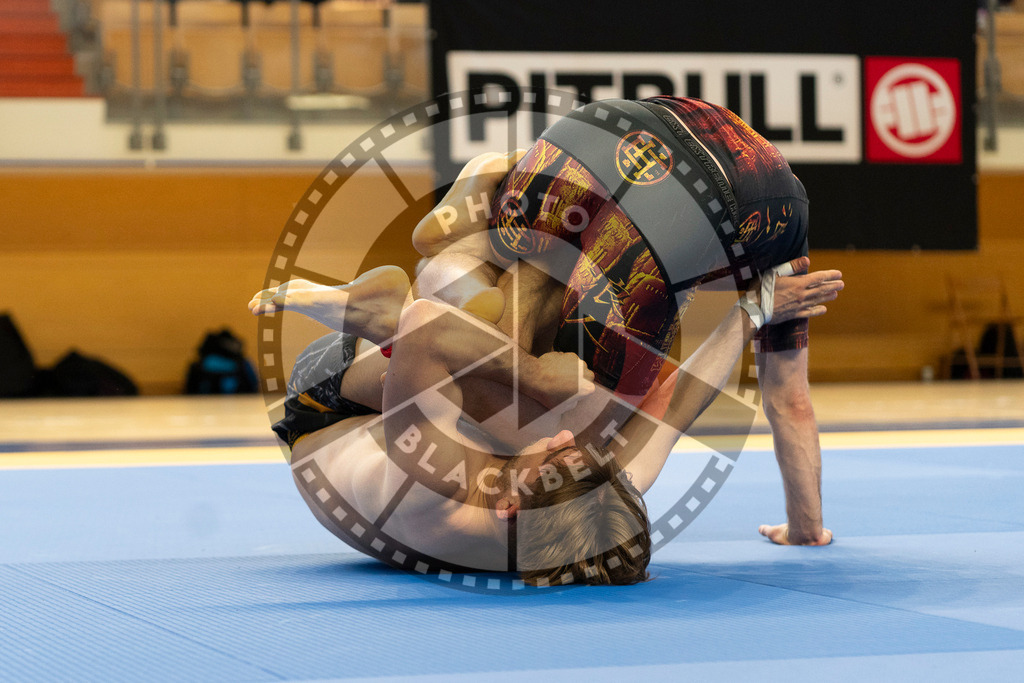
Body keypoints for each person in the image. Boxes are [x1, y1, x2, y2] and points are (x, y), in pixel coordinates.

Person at [249, 256, 841, 585]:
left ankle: (413, 296)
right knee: (609, 420)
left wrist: (537, 376)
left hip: (331, 404)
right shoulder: (574, 515)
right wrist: (755, 309)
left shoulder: (430, 491)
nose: (561, 445)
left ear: (508, 504)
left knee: (556, 397)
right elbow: (676, 408)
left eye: (554, 458)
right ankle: (517, 268)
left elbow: (425, 325)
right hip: (419, 413)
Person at [411, 95, 834, 546]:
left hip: (592, 132)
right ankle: (468, 332)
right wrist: (807, 529)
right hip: (686, 210)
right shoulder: (784, 243)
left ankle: (475, 227)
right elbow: (791, 403)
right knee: (587, 440)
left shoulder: (777, 214)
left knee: (526, 270)